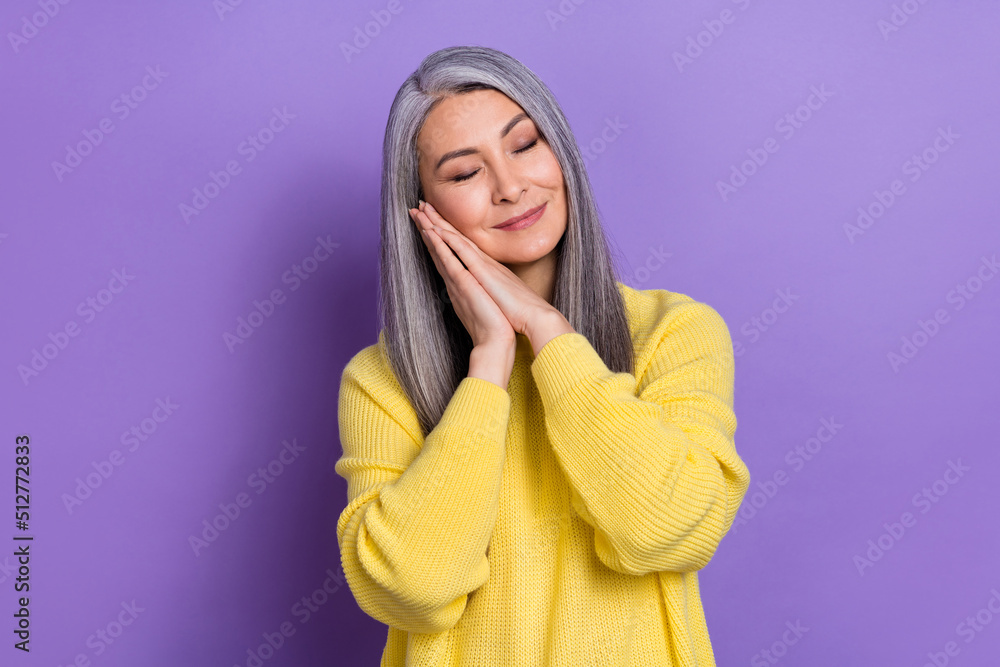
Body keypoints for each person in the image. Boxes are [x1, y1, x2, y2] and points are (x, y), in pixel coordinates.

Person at [335, 45, 751, 666]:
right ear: (422, 213)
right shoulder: (383, 380)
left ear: (561, 153)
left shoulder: (674, 331)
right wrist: (489, 365)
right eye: (463, 173)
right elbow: (413, 590)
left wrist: (549, 335)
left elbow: (666, 530)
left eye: (525, 144)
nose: (510, 187)